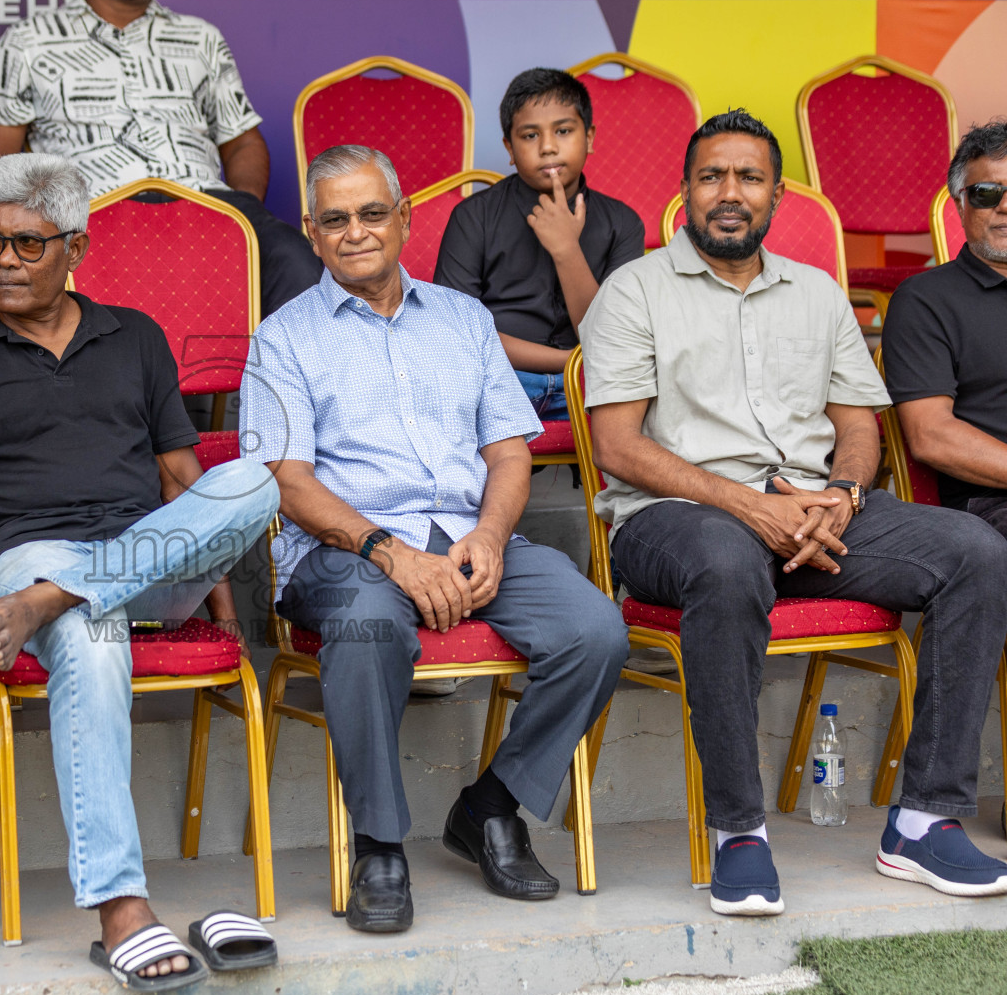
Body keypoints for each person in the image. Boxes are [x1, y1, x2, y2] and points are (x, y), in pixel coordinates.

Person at [580, 110, 1007, 918]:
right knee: (726, 558)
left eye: (749, 177)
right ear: (684, 193)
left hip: (817, 509)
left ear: (777, 194)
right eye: (712, 177)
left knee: (976, 549)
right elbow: (619, 448)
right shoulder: (632, 290)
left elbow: (858, 427)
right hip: (677, 518)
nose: (730, 194)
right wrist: (753, 507)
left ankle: (922, 819)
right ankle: (741, 831)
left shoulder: (815, 293)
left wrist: (842, 496)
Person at [0, 152, 280, 991]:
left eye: (27, 246)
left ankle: (54, 603)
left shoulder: (135, 335)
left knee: (250, 479)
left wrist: (213, 580)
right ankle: (121, 911)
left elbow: (182, 480)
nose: (2, 260)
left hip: (143, 556)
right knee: (91, 628)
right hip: (24, 560)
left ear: (78, 247)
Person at [240, 144, 629, 934]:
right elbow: (288, 480)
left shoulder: (463, 318)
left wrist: (491, 534)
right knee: (368, 623)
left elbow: (510, 451)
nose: (356, 233)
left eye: (372, 214)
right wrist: (390, 553)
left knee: (595, 631)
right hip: (345, 553)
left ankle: (491, 807)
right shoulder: (283, 338)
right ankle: (380, 842)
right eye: (336, 220)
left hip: (470, 538)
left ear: (405, 219)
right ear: (311, 234)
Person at [0, 0, 321, 318]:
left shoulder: (202, 38)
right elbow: (1, 161)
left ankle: (280, 372)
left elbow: (243, 143)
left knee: (294, 258)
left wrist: (236, 217)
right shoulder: (26, 42)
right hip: (93, 208)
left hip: (203, 199)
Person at [434, 67, 644, 420]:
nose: (548, 147)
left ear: (589, 138)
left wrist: (567, 250)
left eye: (563, 131)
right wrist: (571, 362)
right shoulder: (474, 218)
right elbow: (456, 336)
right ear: (509, 149)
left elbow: (613, 341)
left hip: (594, 386)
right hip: (499, 381)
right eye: (530, 136)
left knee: (650, 390)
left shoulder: (622, 223)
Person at [884, 122, 1007, 533]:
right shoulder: (924, 300)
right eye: (987, 193)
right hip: (991, 504)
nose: (1004, 206)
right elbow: (931, 435)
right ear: (960, 205)